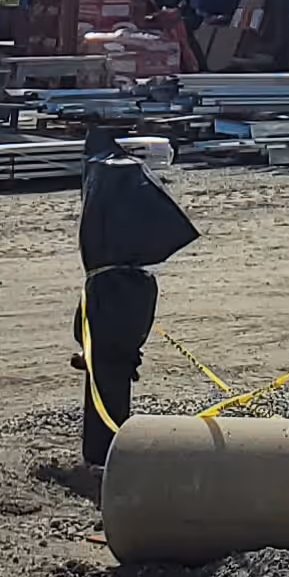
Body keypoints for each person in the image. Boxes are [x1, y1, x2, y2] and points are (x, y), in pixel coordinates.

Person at [72, 134, 198, 472]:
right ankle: (104, 448)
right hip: (123, 299)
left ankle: (103, 453)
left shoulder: (112, 272)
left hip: (115, 301)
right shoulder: (129, 274)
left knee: (109, 372)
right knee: (110, 370)